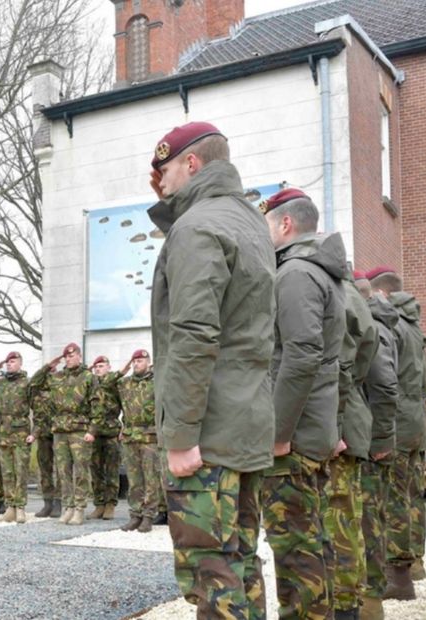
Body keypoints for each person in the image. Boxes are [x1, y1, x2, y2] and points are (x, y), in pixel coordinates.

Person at [148, 122, 275, 618]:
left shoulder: (197, 228)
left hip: (208, 431)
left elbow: (195, 334)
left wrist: (180, 433)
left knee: (211, 572)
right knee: (240, 560)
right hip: (245, 424)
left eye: (165, 170)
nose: (161, 182)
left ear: (192, 164)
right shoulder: (248, 223)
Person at [260, 187, 346, 618]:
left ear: (285, 224)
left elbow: (301, 353)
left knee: (294, 549)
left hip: (294, 439)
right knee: (312, 540)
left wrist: (278, 432)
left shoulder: (295, 272)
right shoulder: (322, 271)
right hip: (313, 428)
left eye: (267, 224)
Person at [368, 266, 426, 601]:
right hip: (415, 423)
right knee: (411, 497)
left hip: (397, 423)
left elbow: (385, 380)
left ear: (380, 294)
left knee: (392, 501)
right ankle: (413, 565)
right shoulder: (414, 325)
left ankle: (398, 578)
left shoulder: (391, 326)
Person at [326, 269, 379, 619]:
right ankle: (352, 602)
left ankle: (346, 605)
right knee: (348, 520)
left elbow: (344, 365)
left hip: (338, 421)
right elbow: (366, 348)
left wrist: (335, 418)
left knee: (339, 522)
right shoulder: (351, 295)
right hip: (349, 416)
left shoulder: (334, 292)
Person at [358, 271, 400, 618]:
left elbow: (384, 385)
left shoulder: (372, 328)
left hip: (372, 438)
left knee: (368, 518)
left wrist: (381, 438)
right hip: (372, 433)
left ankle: (371, 601)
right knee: (372, 516)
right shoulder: (379, 323)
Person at [29, 343, 95, 526]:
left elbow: (97, 404)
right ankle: (68, 507)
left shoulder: (88, 376)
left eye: (72, 355)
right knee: (63, 471)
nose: (69, 359)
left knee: (80, 470)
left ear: (79, 357)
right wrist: (48, 366)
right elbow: (33, 383)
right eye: (66, 356)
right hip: (59, 430)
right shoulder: (56, 377)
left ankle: (80, 508)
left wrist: (92, 430)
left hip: (80, 429)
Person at [0, 352, 35, 523]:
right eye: (7, 362)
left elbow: (38, 408)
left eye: (13, 361)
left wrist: (35, 433)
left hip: (21, 434)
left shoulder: (27, 383)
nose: (9, 364)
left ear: (20, 363)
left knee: (21, 472)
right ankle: (10, 506)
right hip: (4, 434)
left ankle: (20, 508)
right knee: (7, 473)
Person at [118, 349, 161, 533]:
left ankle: (149, 515)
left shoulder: (156, 382)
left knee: (151, 477)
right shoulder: (125, 383)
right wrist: (124, 368)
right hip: (130, 436)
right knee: (134, 479)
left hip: (150, 435)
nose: (137, 364)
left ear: (148, 362)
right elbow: (105, 385)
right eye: (134, 361)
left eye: (140, 361)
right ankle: (135, 514)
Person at [88, 355, 122, 520]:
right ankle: (99, 504)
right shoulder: (91, 385)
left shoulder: (115, 384)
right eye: (96, 366)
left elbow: (126, 404)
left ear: (109, 367)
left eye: (101, 366)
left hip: (110, 432)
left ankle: (110, 505)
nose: (98, 369)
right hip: (94, 434)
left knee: (111, 470)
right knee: (95, 470)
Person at [29, 383, 60, 518]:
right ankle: (48, 502)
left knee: (61, 470)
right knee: (45, 470)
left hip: (59, 432)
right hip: (42, 434)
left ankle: (59, 502)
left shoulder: (60, 385)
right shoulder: (36, 392)